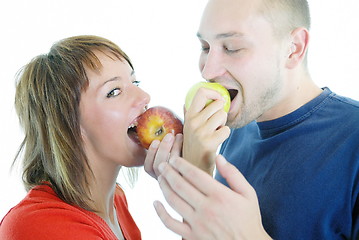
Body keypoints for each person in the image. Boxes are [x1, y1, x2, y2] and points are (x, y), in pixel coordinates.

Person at [145, 0, 359, 239]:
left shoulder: (353, 139)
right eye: (205, 47)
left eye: (232, 47)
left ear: (294, 48)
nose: (208, 72)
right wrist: (196, 172)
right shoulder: (235, 130)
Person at [0, 35, 183, 240]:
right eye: (114, 91)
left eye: (135, 81)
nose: (144, 97)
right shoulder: (41, 224)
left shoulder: (116, 201)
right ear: (67, 124)